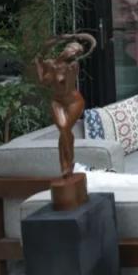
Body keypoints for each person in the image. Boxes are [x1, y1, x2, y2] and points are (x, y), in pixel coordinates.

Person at [35, 33, 97, 178]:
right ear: (66, 48)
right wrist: (39, 62)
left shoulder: (72, 66)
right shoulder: (50, 64)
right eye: (72, 49)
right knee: (64, 130)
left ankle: (68, 165)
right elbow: (43, 81)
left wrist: (55, 69)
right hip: (57, 102)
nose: (74, 53)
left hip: (74, 102)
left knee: (64, 129)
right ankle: (66, 166)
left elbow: (66, 87)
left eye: (77, 52)